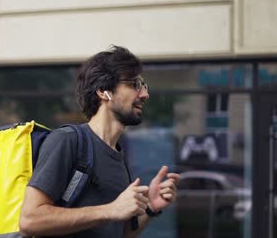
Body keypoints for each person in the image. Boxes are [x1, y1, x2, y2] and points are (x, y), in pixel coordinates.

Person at [19, 46, 180, 237]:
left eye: (144, 86)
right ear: (104, 92)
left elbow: (118, 232)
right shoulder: (68, 140)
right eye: (134, 84)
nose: (145, 94)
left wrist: (151, 207)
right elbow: (30, 220)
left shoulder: (117, 155)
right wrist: (110, 210)